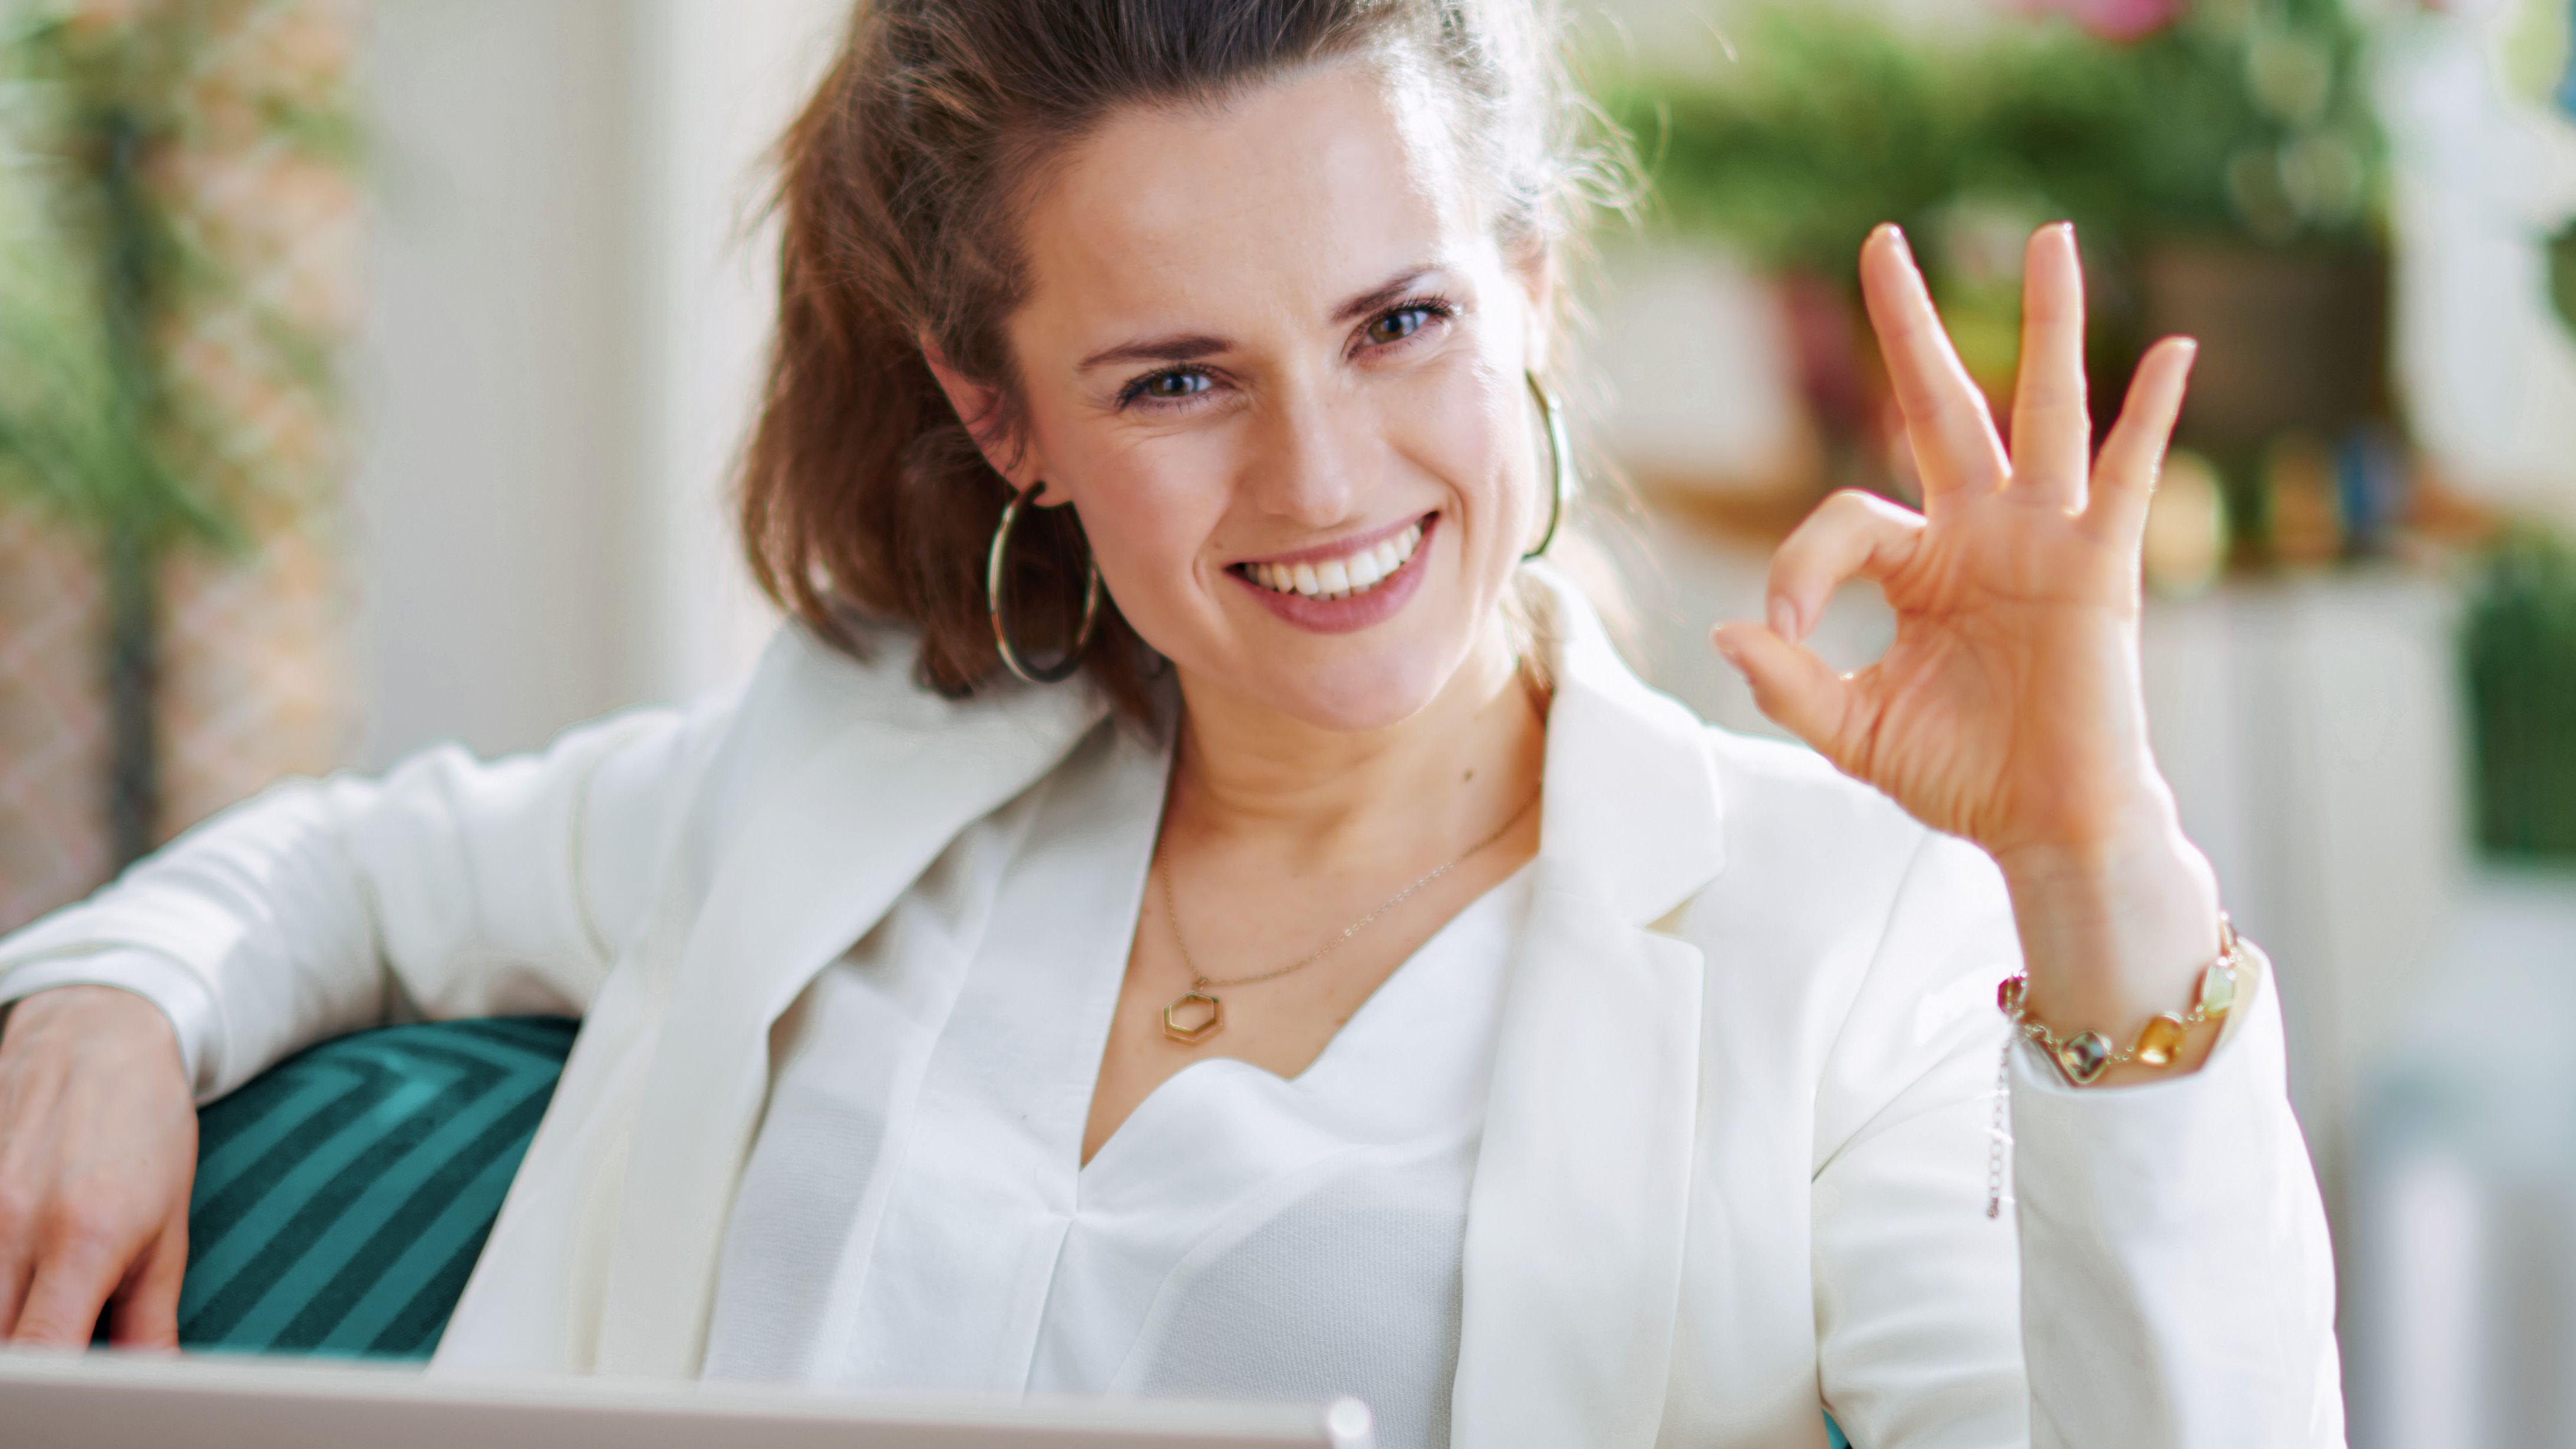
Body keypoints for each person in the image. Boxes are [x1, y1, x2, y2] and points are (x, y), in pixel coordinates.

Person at [0, 1, 2341, 1444]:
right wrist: (113, 991)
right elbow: (351, 870)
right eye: (1177, 378)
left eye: (1399, 321)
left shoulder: (1839, 948)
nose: (1323, 482)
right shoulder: (846, 765)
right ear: (1001, 415)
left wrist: (2095, 866)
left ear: (1531, 284)